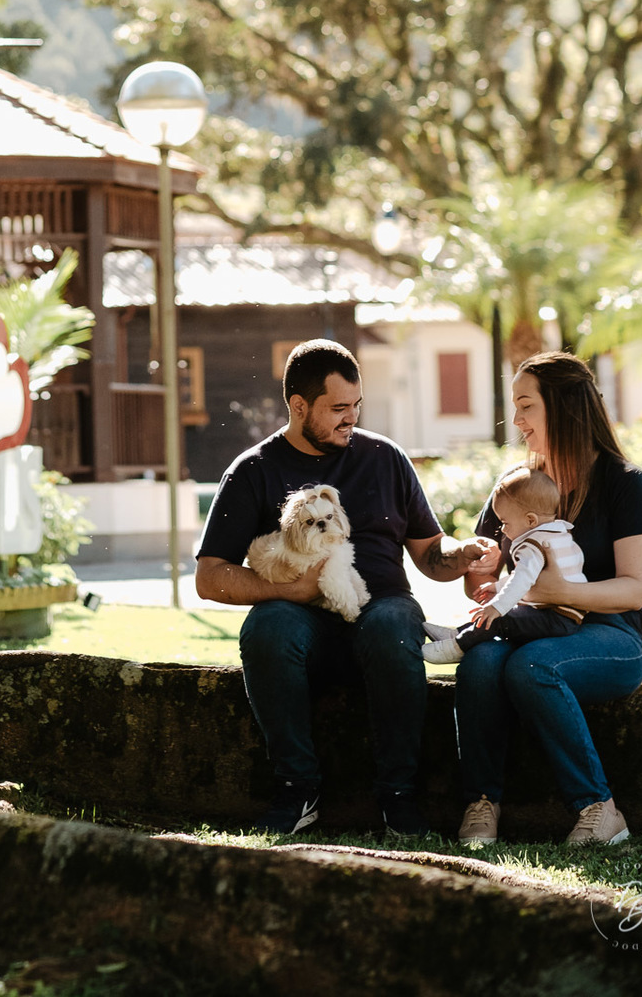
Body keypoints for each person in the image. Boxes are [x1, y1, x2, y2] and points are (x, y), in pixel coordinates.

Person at [195, 338, 494, 839]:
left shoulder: (385, 458)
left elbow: (429, 554)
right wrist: (289, 592)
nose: (350, 419)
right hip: (300, 615)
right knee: (266, 630)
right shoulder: (253, 471)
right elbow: (209, 577)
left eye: (356, 406)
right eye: (337, 409)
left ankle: (398, 795)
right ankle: (297, 789)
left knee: (393, 628)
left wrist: (461, 554)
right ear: (298, 405)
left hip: (381, 605)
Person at [454, 351, 642, 849]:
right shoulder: (518, 485)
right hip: (533, 624)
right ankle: (481, 802)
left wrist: (563, 592)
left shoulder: (624, 483)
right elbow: (488, 580)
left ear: (564, 407)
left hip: (612, 635)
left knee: (532, 667)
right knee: (481, 659)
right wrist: (479, 573)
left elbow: (634, 587)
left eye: (526, 406)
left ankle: (598, 808)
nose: (517, 420)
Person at [421, 465, 585, 663]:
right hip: (565, 615)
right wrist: (497, 586)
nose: (502, 529)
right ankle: (457, 633)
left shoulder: (533, 545)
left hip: (555, 618)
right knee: (501, 614)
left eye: (505, 522)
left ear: (530, 520)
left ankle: (457, 647)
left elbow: (523, 579)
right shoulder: (559, 535)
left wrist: (497, 606)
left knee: (499, 618)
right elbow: (530, 575)